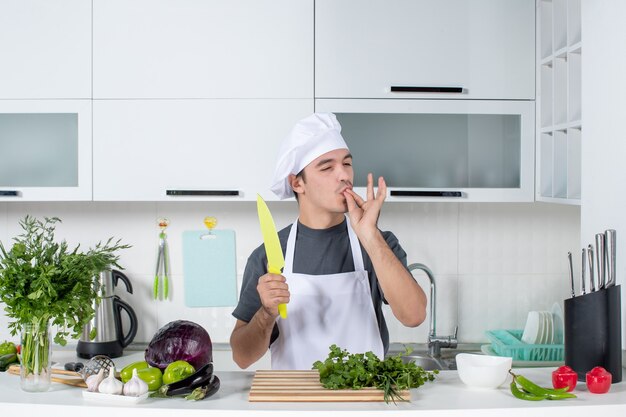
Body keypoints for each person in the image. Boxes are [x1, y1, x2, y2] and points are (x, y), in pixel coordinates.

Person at [230, 113, 427, 370]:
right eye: (327, 167)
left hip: (364, 402)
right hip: (295, 404)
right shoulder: (269, 254)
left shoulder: (378, 243)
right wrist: (266, 315)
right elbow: (242, 357)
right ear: (297, 183)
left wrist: (369, 234)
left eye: (347, 164)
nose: (344, 175)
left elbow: (414, 316)